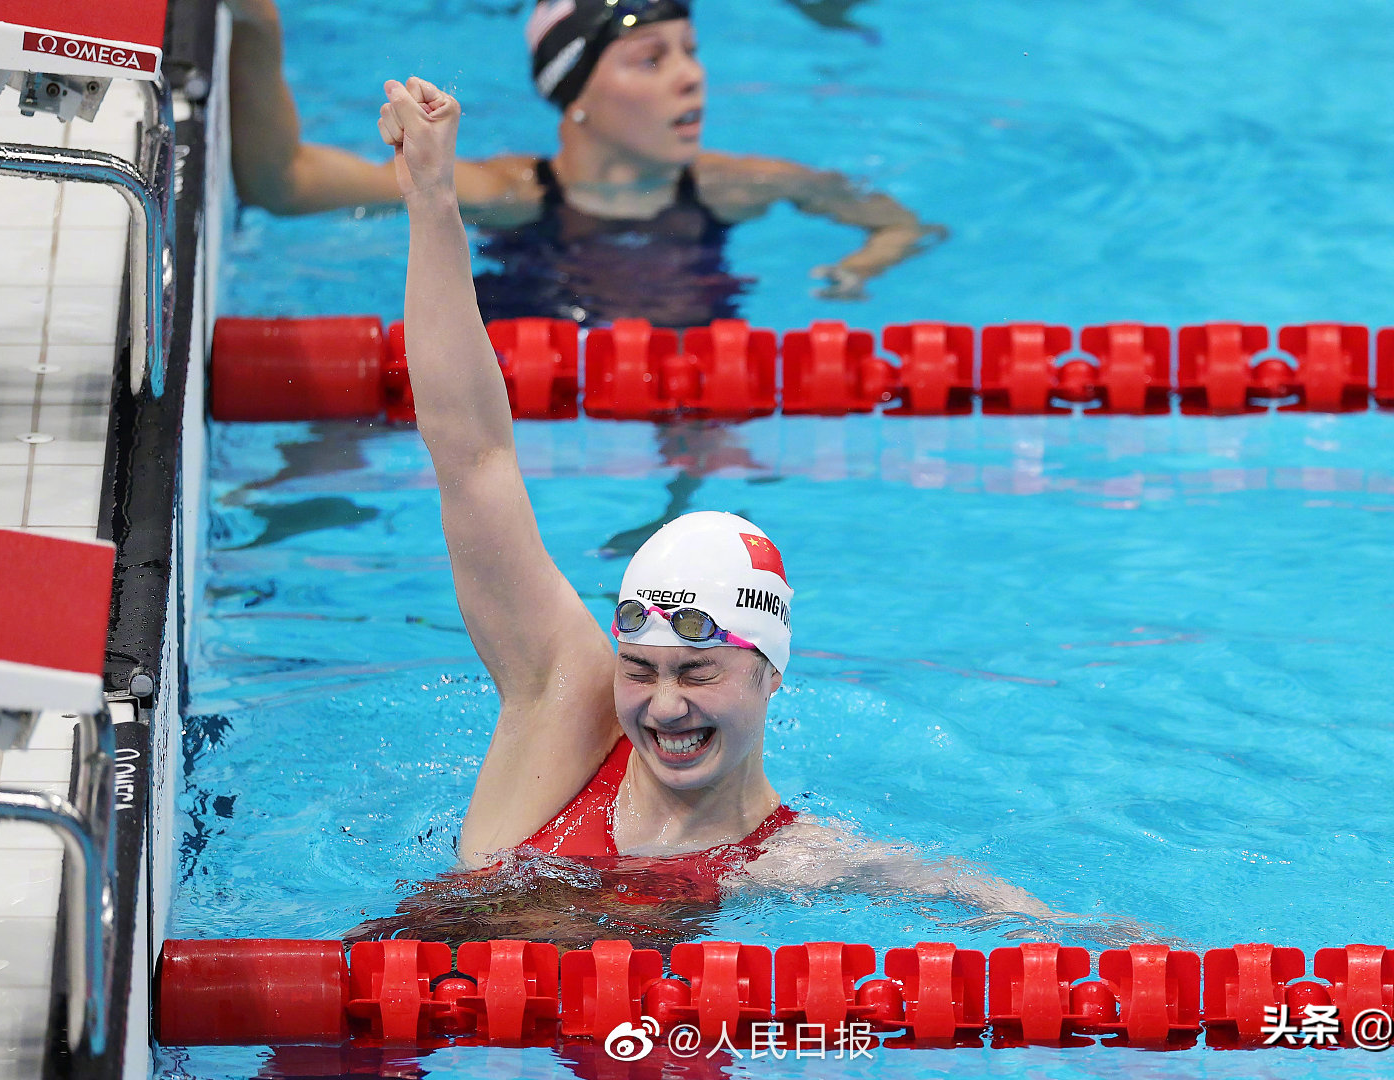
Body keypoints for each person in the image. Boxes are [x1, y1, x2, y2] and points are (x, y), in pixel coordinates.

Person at [378, 73, 1057, 925]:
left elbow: (1007, 917)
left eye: (697, 670)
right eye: (642, 670)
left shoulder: (799, 861)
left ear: (769, 672)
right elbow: (472, 455)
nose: (661, 708)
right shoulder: (567, 711)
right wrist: (432, 200)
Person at [223, 0, 941, 324]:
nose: (690, 77)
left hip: (688, 401)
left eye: (691, 53)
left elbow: (901, 225)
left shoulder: (739, 183)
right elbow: (283, 183)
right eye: (652, 60)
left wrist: (861, 269)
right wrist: (262, 27)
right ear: (576, 93)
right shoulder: (511, 193)